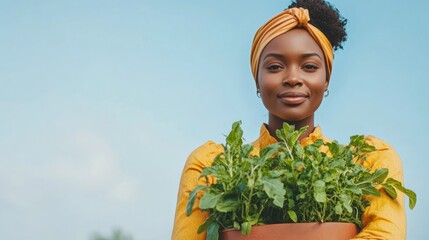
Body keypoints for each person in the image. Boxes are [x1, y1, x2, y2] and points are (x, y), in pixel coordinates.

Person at [172, 0, 406, 239]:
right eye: (275, 67)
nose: (293, 78)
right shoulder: (210, 166)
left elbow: (384, 234)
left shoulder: (368, 162)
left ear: (326, 81)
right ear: (257, 81)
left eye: (309, 66)